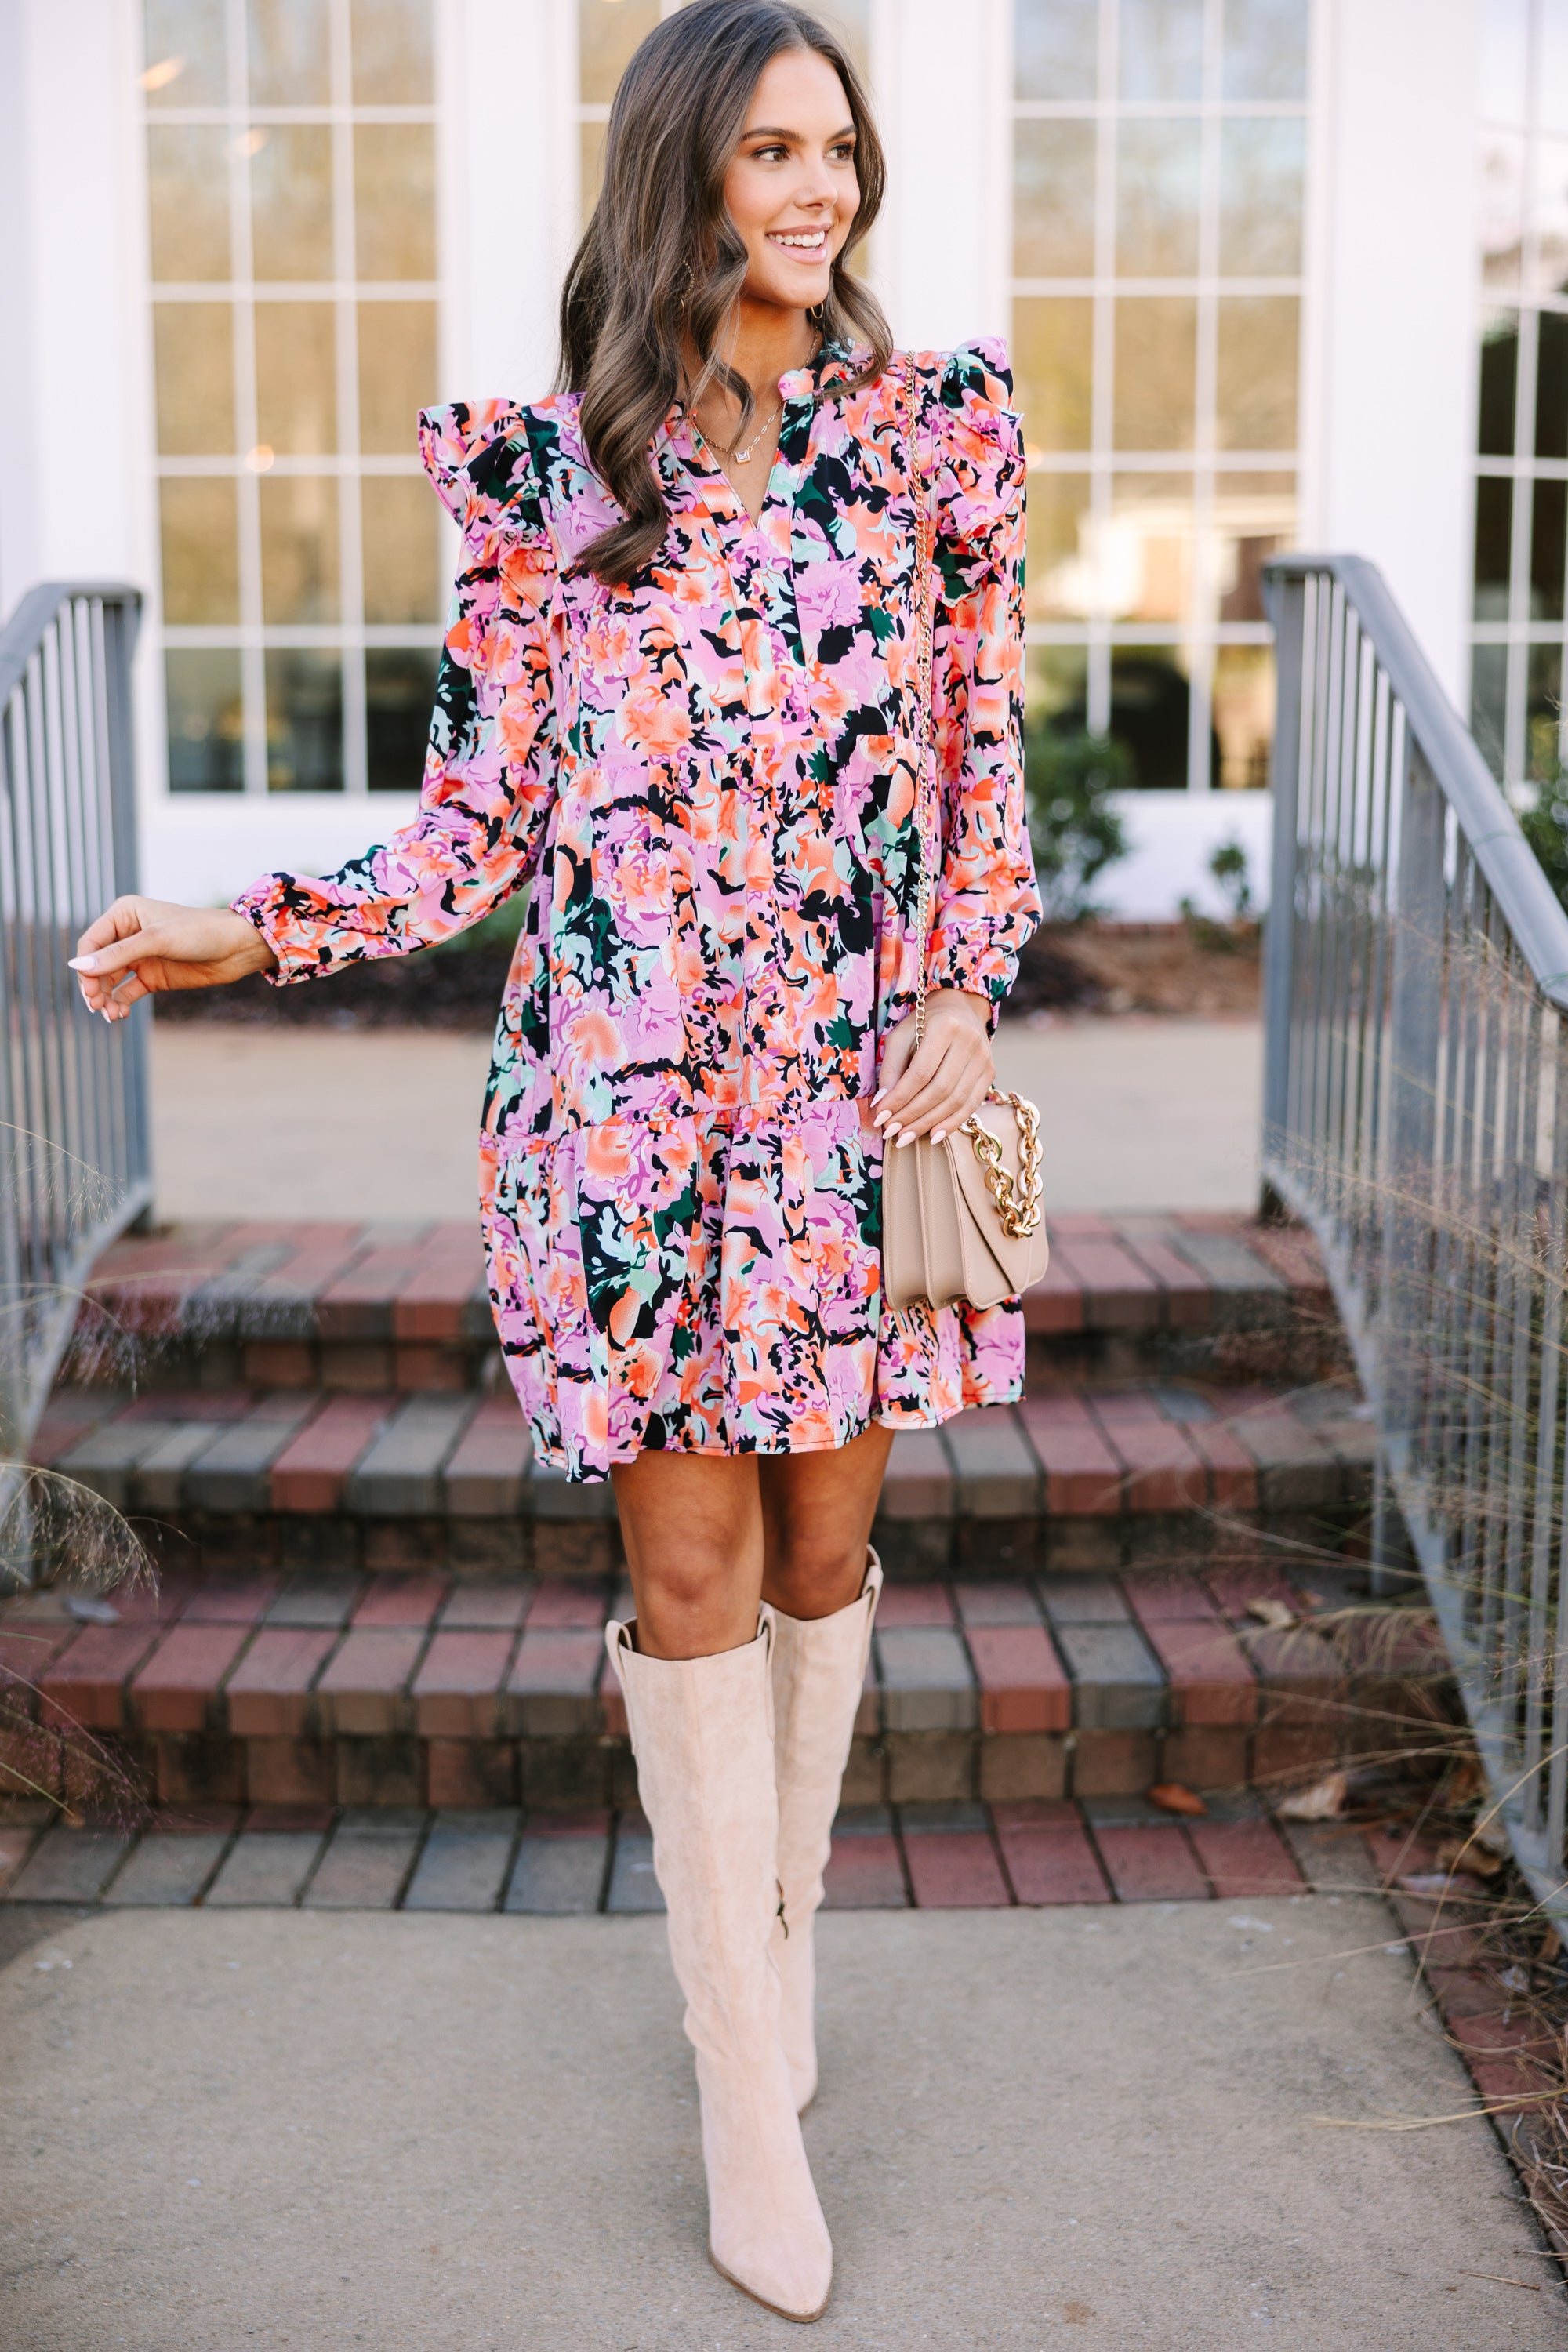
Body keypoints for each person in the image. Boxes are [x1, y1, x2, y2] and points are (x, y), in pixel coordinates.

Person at [72, 0, 1039, 2322]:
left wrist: (962, 980)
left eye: (841, 148)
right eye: (774, 152)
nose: (821, 189)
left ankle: (770, 1990)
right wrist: (255, 926)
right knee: (694, 1575)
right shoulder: (545, 482)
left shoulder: (932, 447)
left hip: (847, 1104)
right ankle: (740, 2093)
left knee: (830, 1552)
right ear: (682, 174)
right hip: (619, 1119)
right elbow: (474, 827)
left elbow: (980, 770)